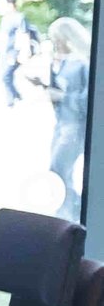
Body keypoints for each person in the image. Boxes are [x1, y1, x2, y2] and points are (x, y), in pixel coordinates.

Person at [45, 15, 90, 220]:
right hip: (61, 123)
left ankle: (71, 216)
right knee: (59, 171)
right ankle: (70, 214)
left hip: (75, 126)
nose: (56, 44)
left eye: (57, 39)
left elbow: (87, 100)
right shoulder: (63, 62)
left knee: (59, 169)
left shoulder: (84, 64)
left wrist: (62, 96)